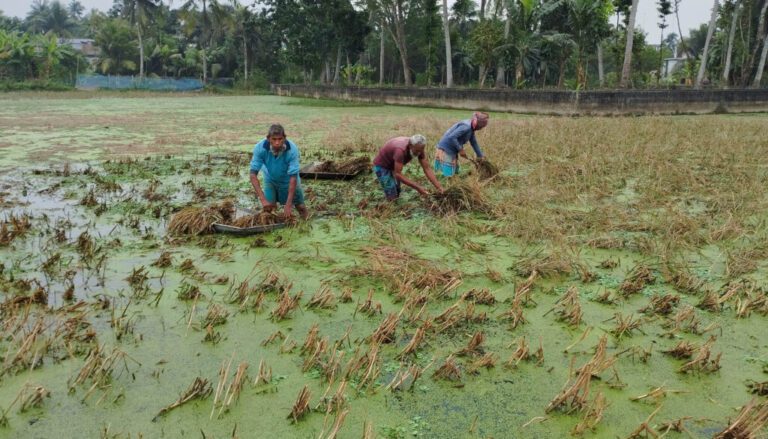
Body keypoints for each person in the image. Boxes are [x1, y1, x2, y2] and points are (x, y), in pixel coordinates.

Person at [249, 124, 309, 219]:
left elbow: (293, 177)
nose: (277, 142)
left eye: (280, 139)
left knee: (300, 207)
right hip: (270, 179)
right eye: (274, 139)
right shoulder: (260, 148)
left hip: (288, 180)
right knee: (269, 208)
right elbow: (253, 175)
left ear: (284, 138)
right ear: (268, 138)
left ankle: (307, 224)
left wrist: (288, 204)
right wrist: (263, 199)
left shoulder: (292, 149)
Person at [372, 134, 444, 201]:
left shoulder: (419, 148)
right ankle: (392, 208)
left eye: (421, 150)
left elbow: (427, 168)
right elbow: (398, 174)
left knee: (397, 190)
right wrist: (418, 187)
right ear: (410, 145)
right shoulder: (400, 151)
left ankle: (395, 201)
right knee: (391, 193)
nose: (419, 153)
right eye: (417, 151)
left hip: (394, 164)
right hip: (382, 165)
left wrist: (439, 187)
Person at [434, 112, 490, 177]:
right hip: (446, 148)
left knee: (455, 171)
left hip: (453, 149)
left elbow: (474, 143)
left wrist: (480, 156)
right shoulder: (466, 127)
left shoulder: (471, 128)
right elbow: (452, 137)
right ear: (478, 124)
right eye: (481, 127)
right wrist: (460, 150)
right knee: (448, 174)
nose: (481, 129)